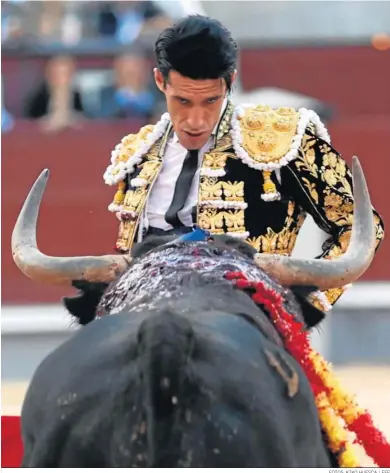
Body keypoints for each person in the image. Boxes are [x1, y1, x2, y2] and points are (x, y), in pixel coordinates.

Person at [103, 15, 384, 312]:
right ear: (160, 81)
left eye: (210, 101)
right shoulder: (141, 152)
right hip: (148, 313)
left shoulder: (281, 139)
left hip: (246, 318)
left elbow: (361, 226)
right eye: (183, 101)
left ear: (230, 82)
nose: (196, 121)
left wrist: (304, 307)